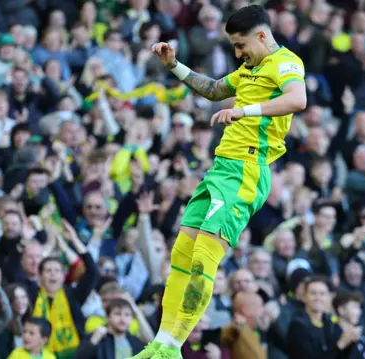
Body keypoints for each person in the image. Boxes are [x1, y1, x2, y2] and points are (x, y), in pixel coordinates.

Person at [132, 4, 307, 359]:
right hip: (221, 169)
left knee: (204, 256)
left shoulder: (286, 63)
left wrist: (243, 110)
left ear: (262, 35)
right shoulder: (248, 69)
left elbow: (297, 99)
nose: (238, 53)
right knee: (181, 252)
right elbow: (213, 89)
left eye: (241, 45)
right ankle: (161, 344)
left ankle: (175, 346)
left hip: (247, 170)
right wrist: (173, 66)